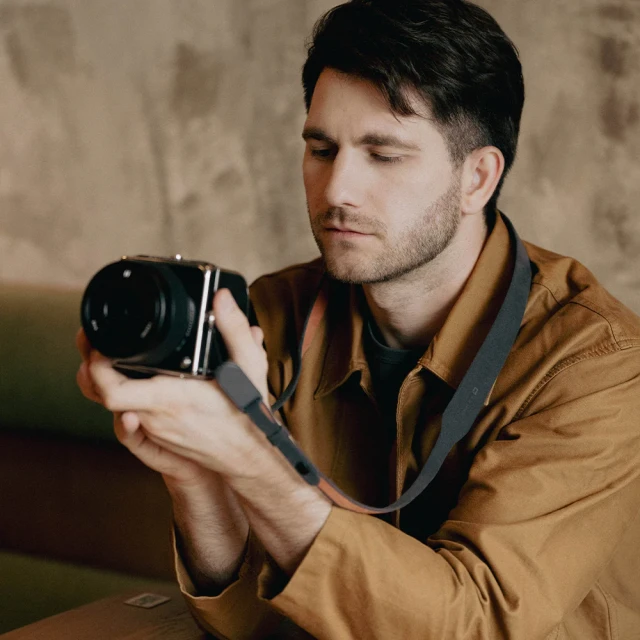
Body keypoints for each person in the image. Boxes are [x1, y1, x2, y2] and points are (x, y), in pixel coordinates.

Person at [77, 1, 640, 638]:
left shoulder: (596, 364)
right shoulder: (275, 315)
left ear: (477, 179)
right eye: (321, 149)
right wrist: (198, 474)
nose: (337, 189)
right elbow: (250, 622)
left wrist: (251, 460)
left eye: (384, 154)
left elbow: (476, 624)